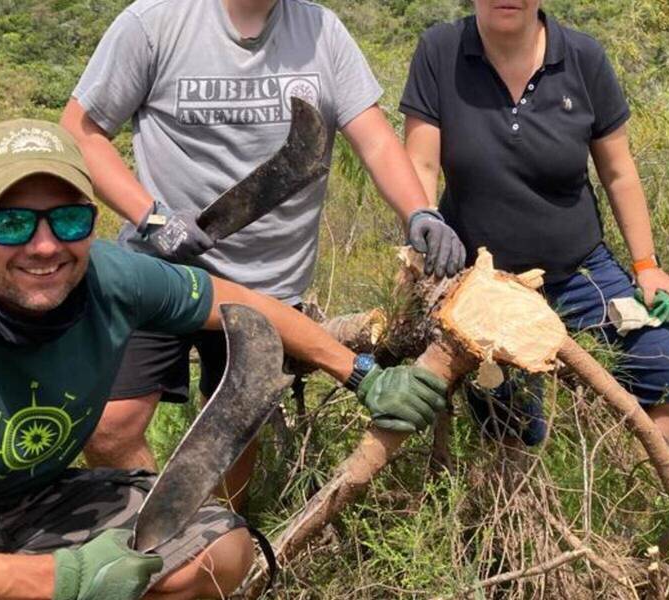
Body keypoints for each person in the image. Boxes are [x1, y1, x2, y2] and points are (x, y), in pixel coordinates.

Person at [0, 119, 449, 600]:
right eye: (12, 225)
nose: (45, 245)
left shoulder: (110, 277)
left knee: (219, 552)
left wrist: (359, 372)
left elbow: (243, 307)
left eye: (70, 220)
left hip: (38, 501)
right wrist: (60, 579)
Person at [59, 0, 466, 501]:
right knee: (109, 427)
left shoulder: (322, 32)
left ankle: (210, 550)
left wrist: (419, 212)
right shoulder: (155, 22)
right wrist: (153, 216)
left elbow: (376, 141)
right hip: (162, 268)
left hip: (268, 285)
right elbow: (80, 132)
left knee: (232, 447)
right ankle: (149, 536)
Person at [400, 0, 669, 448]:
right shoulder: (440, 51)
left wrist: (647, 265)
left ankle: (618, 499)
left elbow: (619, 172)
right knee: (513, 434)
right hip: (482, 286)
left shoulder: (583, 58)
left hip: (582, 275)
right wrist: (422, 239)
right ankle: (524, 507)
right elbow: (421, 163)